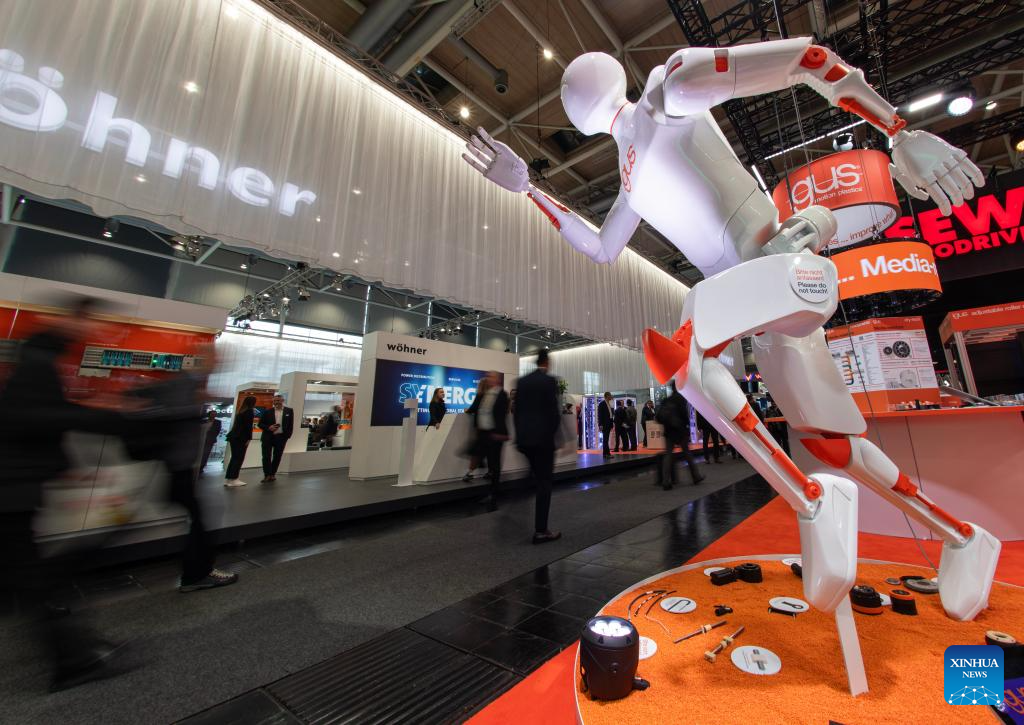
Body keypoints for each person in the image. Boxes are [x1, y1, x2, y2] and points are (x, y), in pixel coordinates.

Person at [0, 297, 129, 690]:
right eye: (93, 321)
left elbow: (36, 419)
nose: (99, 331)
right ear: (75, 319)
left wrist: (66, 465)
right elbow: (32, 419)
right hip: (11, 487)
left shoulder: (41, 358)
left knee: (29, 575)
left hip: (16, 484)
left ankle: (73, 652)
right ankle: (72, 660)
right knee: (34, 577)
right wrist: (98, 411)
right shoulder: (38, 362)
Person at [130, 350, 238, 595]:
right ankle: (196, 574)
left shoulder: (190, 385)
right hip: (173, 465)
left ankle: (196, 572)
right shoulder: (184, 383)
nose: (220, 363)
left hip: (176, 465)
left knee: (201, 517)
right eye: (216, 358)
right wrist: (196, 405)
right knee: (200, 519)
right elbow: (168, 411)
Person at [514, 349, 562, 544]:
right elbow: (553, 413)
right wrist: (553, 436)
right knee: (544, 483)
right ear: (547, 362)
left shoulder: (522, 382)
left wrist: (520, 437)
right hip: (543, 441)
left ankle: (516, 507)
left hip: (525, 440)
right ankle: (541, 531)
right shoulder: (549, 381)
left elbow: (517, 412)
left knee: (533, 476)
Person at [464, 371, 509, 511]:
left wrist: (501, 433)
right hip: (484, 434)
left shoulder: (502, 395)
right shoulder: (485, 394)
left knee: (494, 465)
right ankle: (490, 491)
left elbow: (501, 415)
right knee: (475, 453)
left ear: (497, 380)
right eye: (488, 377)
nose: (488, 379)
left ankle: (494, 496)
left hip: (495, 435)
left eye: (491, 377)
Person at [655, 381, 705, 490]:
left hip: (669, 432)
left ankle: (665, 481)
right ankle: (696, 476)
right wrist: (687, 427)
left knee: (668, 455)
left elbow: (659, 417)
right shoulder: (680, 399)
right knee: (687, 453)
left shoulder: (666, 400)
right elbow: (684, 415)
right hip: (680, 431)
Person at [259, 394, 293, 482]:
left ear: (282, 401)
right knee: (266, 456)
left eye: (278, 400)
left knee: (277, 456)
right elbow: (260, 424)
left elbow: (290, 425)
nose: (276, 402)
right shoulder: (267, 411)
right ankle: (267, 475)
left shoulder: (289, 411)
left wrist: (287, 436)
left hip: (281, 437)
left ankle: (272, 474)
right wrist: (268, 427)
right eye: (274, 401)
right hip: (268, 437)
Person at [224, 396, 256, 484]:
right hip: (241, 438)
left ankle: (229, 478)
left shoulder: (240, 411)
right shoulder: (249, 411)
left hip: (234, 437)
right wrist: (249, 438)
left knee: (234, 458)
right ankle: (234, 478)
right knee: (239, 458)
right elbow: (248, 426)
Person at [598, 391, 615, 458]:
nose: (611, 396)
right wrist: (600, 425)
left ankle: (607, 454)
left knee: (606, 439)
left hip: (609, 424)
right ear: (607, 396)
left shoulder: (609, 404)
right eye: (610, 395)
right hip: (604, 424)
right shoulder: (602, 404)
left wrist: (611, 424)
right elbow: (600, 415)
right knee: (605, 439)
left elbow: (611, 414)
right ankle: (606, 454)